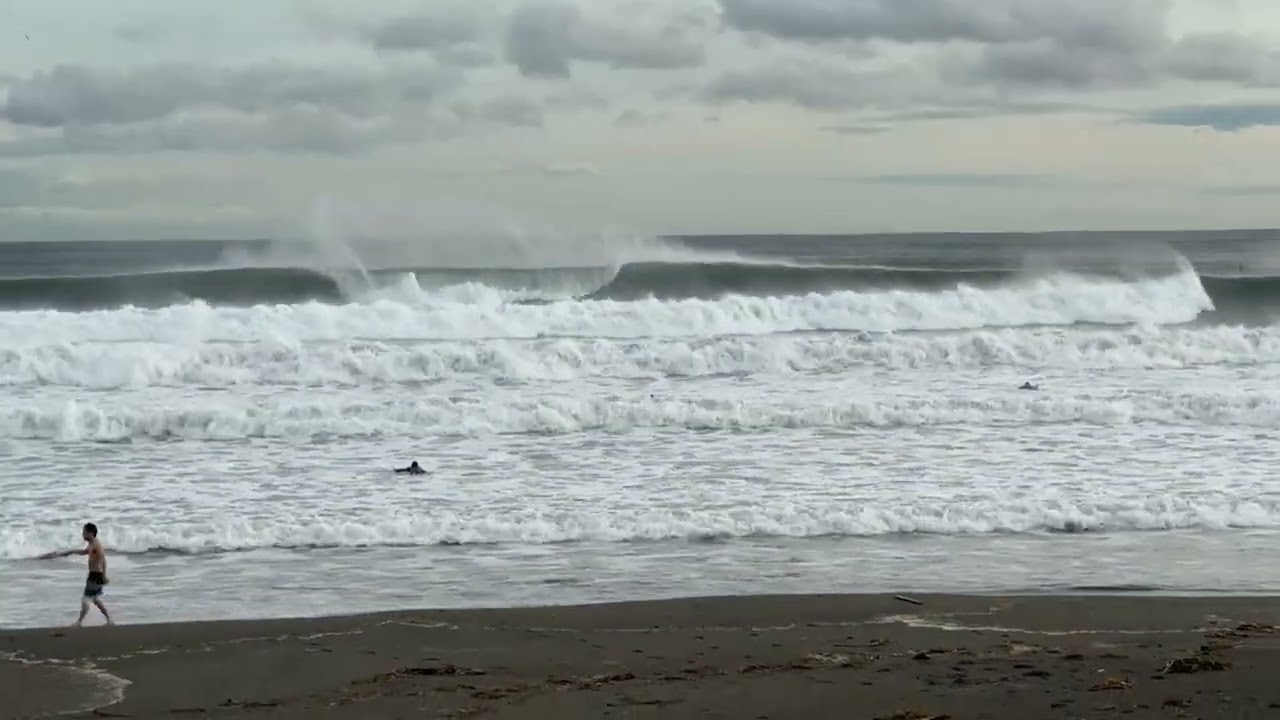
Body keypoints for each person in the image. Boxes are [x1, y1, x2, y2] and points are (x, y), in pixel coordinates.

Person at [41, 523, 113, 626]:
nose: (82, 534)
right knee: (95, 599)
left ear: (91, 533)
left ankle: (79, 622)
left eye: (84, 532)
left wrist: (104, 575)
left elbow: (103, 559)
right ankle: (109, 620)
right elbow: (85, 552)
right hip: (95, 575)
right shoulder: (92, 544)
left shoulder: (96, 545)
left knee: (86, 599)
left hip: (95, 575)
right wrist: (72, 551)